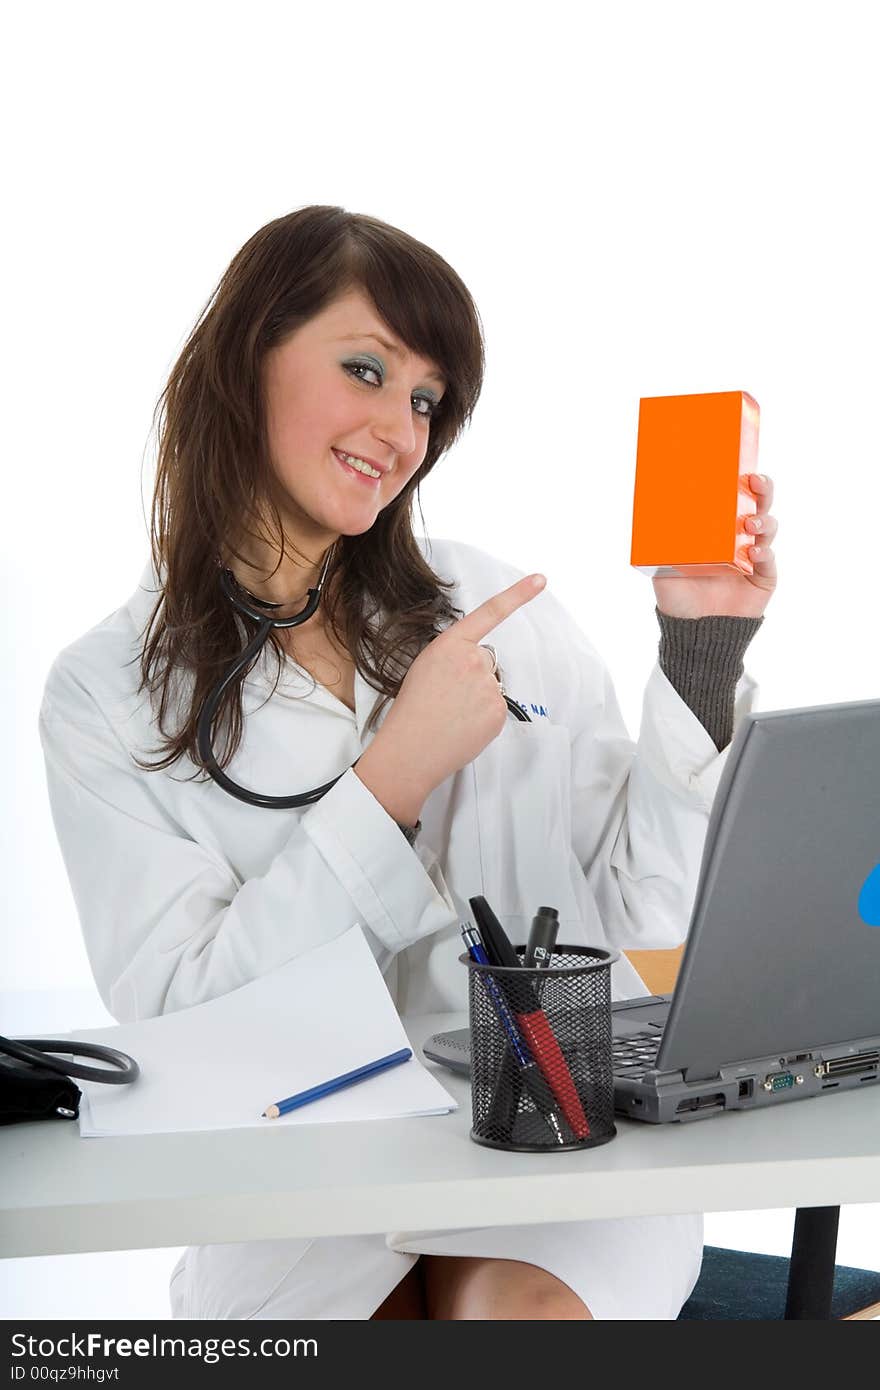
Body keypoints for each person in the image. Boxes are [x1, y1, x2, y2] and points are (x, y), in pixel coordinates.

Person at [38, 204, 778, 1321]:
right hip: (301, 1166)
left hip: (553, 1140)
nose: (398, 426)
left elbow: (642, 896)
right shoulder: (108, 691)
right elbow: (180, 1016)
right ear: (246, 359)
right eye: (365, 369)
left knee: (511, 1313)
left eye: (425, 398)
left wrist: (700, 646)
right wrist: (390, 781)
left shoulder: (493, 610)